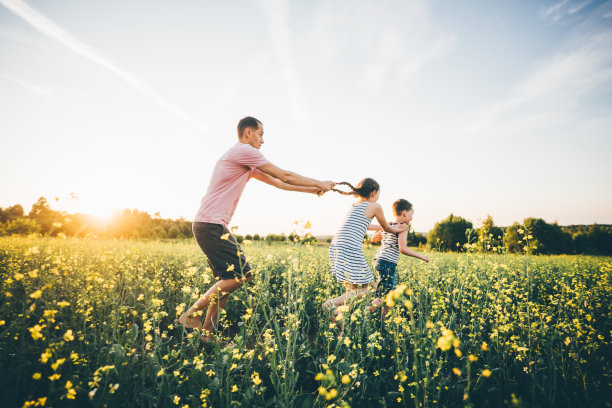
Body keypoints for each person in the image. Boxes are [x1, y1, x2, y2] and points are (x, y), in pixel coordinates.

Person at [179, 116, 335, 344]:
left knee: (226, 281)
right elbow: (284, 174)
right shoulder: (243, 151)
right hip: (210, 225)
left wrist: (312, 190)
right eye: (261, 135)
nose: (262, 141)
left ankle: (207, 335)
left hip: (210, 225)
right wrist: (321, 182)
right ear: (249, 132)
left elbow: (279, 183)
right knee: (243, 274)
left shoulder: (244, 160)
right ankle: (192, 313)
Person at [323, 178, 408, 319]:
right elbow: (386, 228)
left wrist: (390, 225)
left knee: (352, 290)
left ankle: (342, 325)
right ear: (374, 192)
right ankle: (330, 304)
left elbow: (368, 226)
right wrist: (400, 228)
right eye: (379, 194)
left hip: (337, 246)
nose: (378, 197)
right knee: (370, 287)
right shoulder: (375, 206)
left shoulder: (355, 205)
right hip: (349, 247)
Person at [370, 199, 429, 313]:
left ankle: (383, 325)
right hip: (387, 263)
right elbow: (402, 248)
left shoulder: (389, 226)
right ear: (404, 213)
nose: (411, 218)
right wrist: (422, 256)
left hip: (379, 261)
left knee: (389, 295)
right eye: (411, 214)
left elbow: (373, 239)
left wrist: (385, 228)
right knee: (384, 297)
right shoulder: (403, 227)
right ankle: (362, 314)